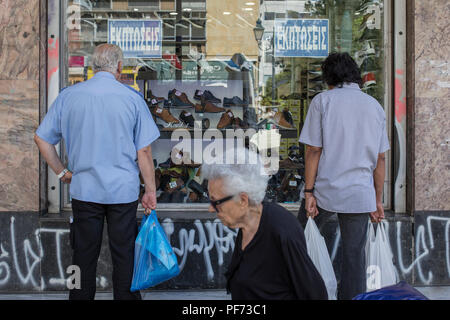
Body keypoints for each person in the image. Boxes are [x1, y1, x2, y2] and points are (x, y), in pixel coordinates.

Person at [34, 44, 160, 300]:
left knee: (82, 256)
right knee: (124, 255)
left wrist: (61, 173)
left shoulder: (69, 96)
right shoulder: (132, 98)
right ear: (119, 67)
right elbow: (144, 152)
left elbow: (42, 139)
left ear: (93, 66)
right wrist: (150, 190)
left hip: (84, 190)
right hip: (122, 193)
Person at [297, 52, 390, 300]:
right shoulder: (375, 107)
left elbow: (314, 150)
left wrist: (308, 192)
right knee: (354, 258)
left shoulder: (322, 101)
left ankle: (302, 291)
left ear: (330, 76)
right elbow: (380, 159)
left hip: (324, 191)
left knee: (299, 242)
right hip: (360, 194)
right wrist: (377, 200)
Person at [201, 147, 328, 300]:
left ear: (243, 200)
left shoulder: (281, 230)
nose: (211, 209)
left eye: (216, 202)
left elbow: (314, 292)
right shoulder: (247, 224)